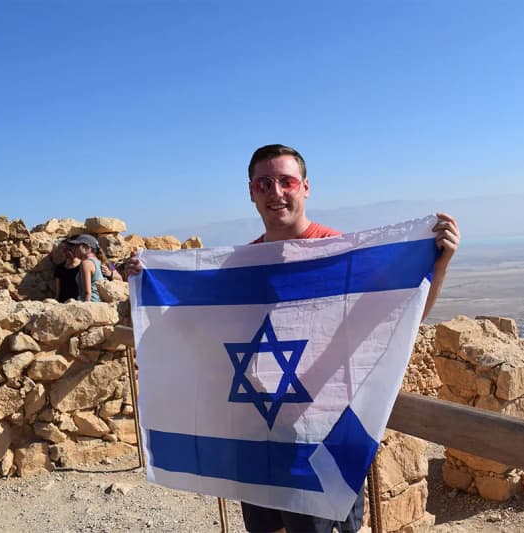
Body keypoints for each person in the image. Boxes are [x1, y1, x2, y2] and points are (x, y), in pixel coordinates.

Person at [128, 144, 460, 533]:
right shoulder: (240, 266)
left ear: (305, 187)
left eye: (286, 181)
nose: (276, 192)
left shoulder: (341, 255)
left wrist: (438, 265)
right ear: (252, 192)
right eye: (264, 183)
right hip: (256, 431)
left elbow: (402, 316)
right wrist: (147, 278)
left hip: (321, 435)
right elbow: (196, 324)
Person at [67, 234, 105, 302]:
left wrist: (85, 308)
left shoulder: (86, 263)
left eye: (77, 246)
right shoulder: (99, 261)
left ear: (87, 247)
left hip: (91, 303)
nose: (73, 249)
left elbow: (87, 292)